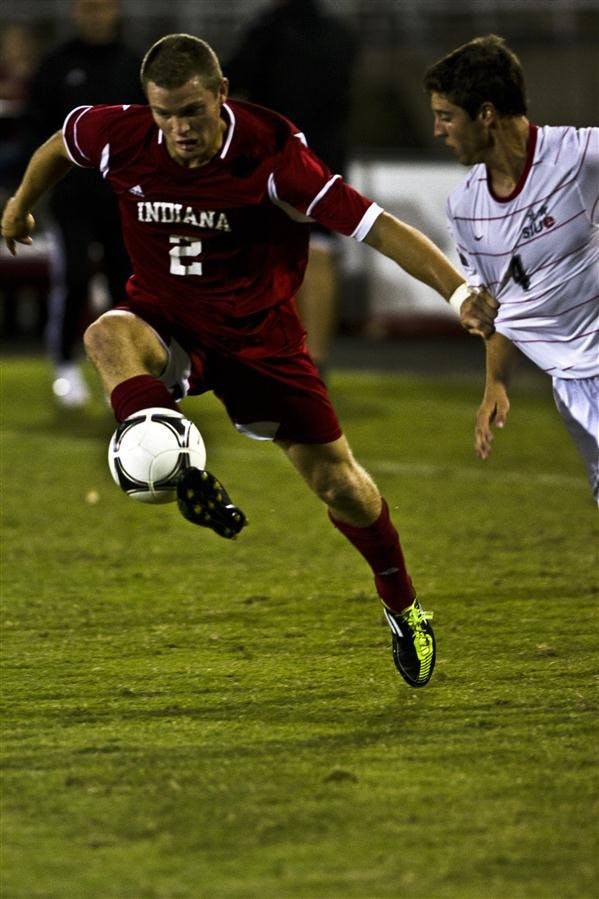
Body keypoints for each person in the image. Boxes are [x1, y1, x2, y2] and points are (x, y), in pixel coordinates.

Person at [1, 34, 498, 688]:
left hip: (259, 341)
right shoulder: (120, 133)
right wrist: (19, 203)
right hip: (166, 318)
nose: (177, 128)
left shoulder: (271, 155)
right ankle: (173, 459)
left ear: (220, 95)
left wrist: (458, 290)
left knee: (341, 487)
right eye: (163, 113)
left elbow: (375, 226)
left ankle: (403, 605)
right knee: (105, 336)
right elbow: (60, 146)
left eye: (190, 112)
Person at [424, 35, 599, 504]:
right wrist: (495, 383)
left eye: (446, 116)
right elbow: (501, 306)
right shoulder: (465, 207)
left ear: (485, 113)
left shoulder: (580, 157)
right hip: (574, 384)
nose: (438, 129)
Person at [226, 0, 357, 376]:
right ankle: (316, 363)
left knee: (278, 256)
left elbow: (233, 78)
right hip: (325, 157)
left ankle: (282, 357)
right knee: (319, 253)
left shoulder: (267, 30)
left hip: (277, 154)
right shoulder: (339, 34)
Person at [27, 0, 144, 406]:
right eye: (88, 8)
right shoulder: (57, 64)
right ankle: (64, 364)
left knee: (124, 285)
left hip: (122, 197)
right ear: (77, 12)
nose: (95, 15)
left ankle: (125, 373)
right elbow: (37, 130)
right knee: (74, 276)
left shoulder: (134, 64)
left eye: (101, 7)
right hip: (72, 195)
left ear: (114, 11)